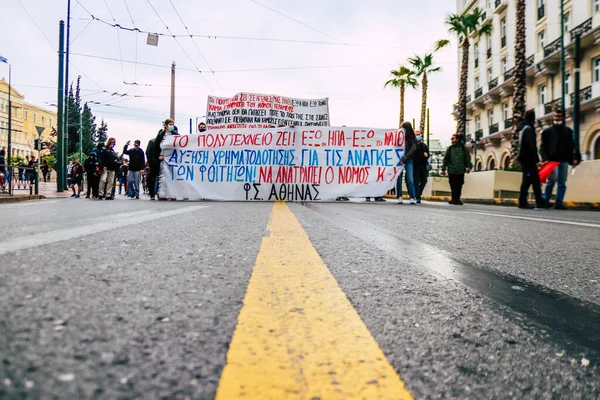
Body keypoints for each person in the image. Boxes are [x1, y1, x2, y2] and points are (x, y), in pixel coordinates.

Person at [540, 107, 581, 210]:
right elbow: (543, 146)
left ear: (563, 118)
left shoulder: (568, 131)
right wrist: (545, 158)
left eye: (559, 116)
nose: (557, 118)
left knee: (562, 182)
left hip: (564, 159)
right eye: (556, 116)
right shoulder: (547, 132)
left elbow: (572, 146)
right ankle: (546, 201)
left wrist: (575, 157)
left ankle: (559, 203)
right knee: (551, 181)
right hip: (551, 160)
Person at [518, 109, 548, 209]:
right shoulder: (528, 129)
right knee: (527, 181)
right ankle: (523, 202)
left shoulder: (524, 128)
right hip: (528, 160)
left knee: (534, 181)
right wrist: (537, 160)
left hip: (526, 160)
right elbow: (532, 146)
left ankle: (539, 201)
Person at [442, 134, 472, 205]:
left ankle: (456, 199)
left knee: (459, 185)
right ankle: (454, 198)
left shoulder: (463, 149)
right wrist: (443, 169)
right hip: (452, 170)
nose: (451, 140)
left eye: (453, 138)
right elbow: (446, 159)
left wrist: (469, 167)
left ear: (457, 139)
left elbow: (467, 158)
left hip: (460, 170)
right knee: (453, 185)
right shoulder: (450, 148)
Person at [153, 118, 177, 200]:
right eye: (170, 124)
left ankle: (172, 194)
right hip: (163, 158)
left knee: (172, 176)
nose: (172, 126)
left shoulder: (176, 135)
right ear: (166, 125)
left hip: (173, 158)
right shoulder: (161, 135)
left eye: (172, 124)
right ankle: (162, 194)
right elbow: (156, 147)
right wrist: (159, 156)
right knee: (163, 177)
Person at [398, 121, 418, 204]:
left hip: (408, 160)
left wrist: (405, 158)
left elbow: (412, 149)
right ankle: (399, 196)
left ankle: (412, 197)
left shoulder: (412, 139)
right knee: (398, 179)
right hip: (399, 160)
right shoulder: (399, 137)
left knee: (410, 179)